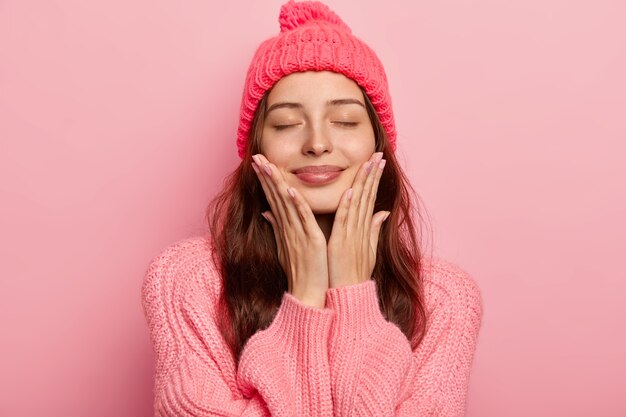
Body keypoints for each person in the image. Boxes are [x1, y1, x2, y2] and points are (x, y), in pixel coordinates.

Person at [141, 1, 483, 416]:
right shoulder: (187, 281)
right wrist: (303, 298)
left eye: (345, 121)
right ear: (256, 148)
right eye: (286, 124)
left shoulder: (443, 300)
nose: (317, 143)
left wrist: (353, 299)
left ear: (378, 145)